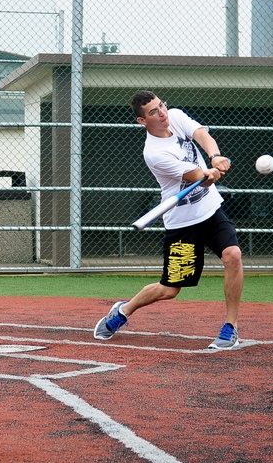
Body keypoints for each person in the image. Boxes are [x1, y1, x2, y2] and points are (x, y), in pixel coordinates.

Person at [93, 91, 243, 350]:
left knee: (233, 255)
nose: (161, 113)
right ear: (142, 121)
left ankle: (230, 327)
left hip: (210, 211)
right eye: (153, 112)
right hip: (182, 223)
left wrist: (215, 156)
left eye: (161, 105)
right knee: (169, 289)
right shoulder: (154, 153)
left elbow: (201, 135)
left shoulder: (174, 116)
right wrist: (209, 173)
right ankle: (123, 310)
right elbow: (199, 176)